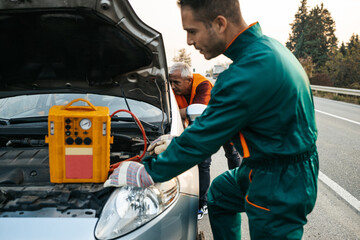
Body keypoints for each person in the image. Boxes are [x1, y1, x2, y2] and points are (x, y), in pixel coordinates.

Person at [106, 0, 318, 239]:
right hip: (269, 166)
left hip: (279, 182)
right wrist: (176, 141)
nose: (188, 41)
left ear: (219, 24)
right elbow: (224, 117)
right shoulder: (267, 50)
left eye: (192, 31)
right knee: (220, 194)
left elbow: (203, 140)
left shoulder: (247, 73)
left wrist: (148, 172)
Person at [168, 62, 241, 219]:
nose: (172, 87)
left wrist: (181, 112)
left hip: (223, 122)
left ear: (189, 80)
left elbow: (197, 111)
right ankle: (203, 203)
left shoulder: (203, 85)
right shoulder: (174, 90)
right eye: (171, 82)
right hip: (203, 124)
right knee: (203, 162)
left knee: (232, 154)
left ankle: (240, 189)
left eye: (176, 82)